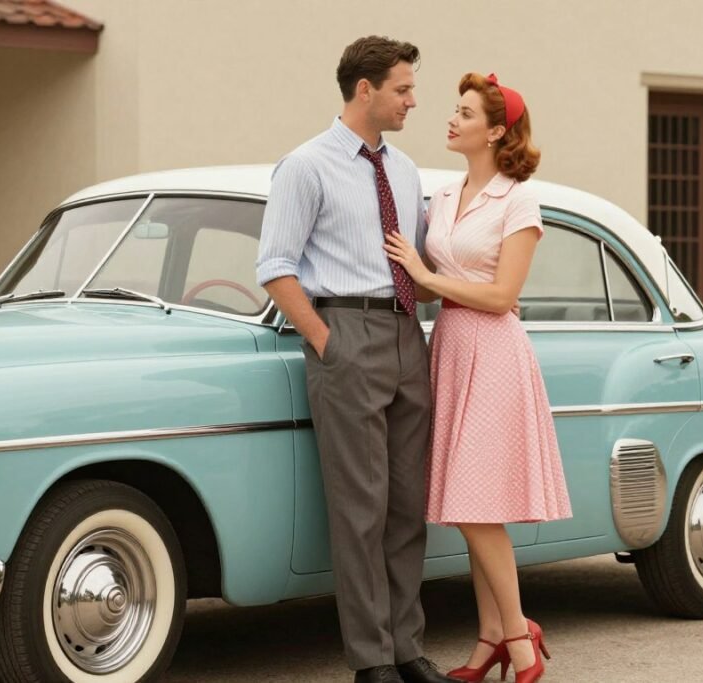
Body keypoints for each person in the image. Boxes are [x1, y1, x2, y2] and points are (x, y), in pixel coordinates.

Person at [256, 36, 457, 683]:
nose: (413, 100)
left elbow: (419, 267)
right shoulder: (305, 166)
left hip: (407, 335)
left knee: (405, 505)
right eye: (403, 88)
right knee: (360, 507)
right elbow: (275, 267)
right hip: (345, 333)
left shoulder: (403, 169)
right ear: (364, 89)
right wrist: (324, 339)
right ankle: (371, 660)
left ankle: (406, 646)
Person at [383, 72, 573, 683]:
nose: (451, 119)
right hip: (452, 349)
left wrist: (424, 274)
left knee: (473, 504)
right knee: (474, 503)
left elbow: (501, 295)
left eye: (464, 113)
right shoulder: (441, 196)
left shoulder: (519, 199)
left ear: (495, 131)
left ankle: (518, 638)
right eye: (454, 110)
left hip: (493, 352)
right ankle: (492, 635)